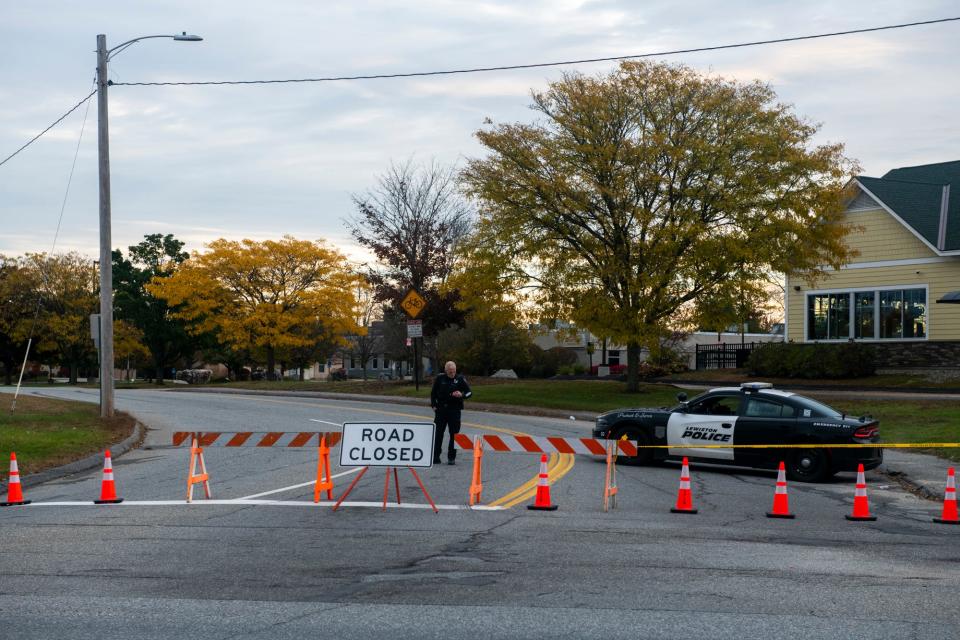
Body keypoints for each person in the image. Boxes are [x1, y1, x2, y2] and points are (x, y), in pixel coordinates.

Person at [430, 361, 472, 465]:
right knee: (438, 433)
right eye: (450, 372)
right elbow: (433, 393)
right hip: (441, 410)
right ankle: (436, 456)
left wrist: (461, 395)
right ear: (446, 371)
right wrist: (434, 405)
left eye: (453, 371)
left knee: (454, 434)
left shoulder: (460, 379)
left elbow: (469, 392)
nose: (452, 373)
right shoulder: (440, 379)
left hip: (454, 410)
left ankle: (451, 457)